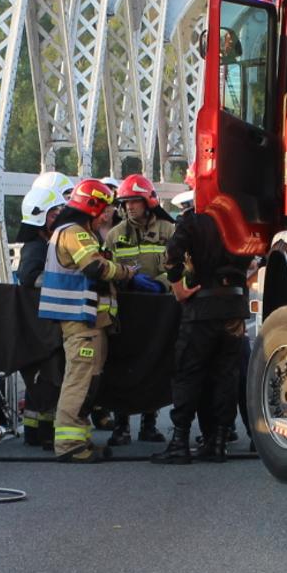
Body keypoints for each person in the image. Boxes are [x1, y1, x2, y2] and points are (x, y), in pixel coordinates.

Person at [42, 179, 143, 463]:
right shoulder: (75, 233)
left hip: (89, 322)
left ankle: (79, 439)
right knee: (79, 381)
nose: (108, 214)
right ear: (92, 206)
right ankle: (69, 445)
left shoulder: (71, 231)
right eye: (105, 208)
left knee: (88, 382)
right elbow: (95, 267)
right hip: (81, 321)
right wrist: (125, 272)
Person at [151, 205, 254, 465]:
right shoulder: (243, 218)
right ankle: (218, 442)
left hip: (202, 307)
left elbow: (172, 254)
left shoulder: (194, 220)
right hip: (234, 309)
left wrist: (177, 286)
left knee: (188, 373)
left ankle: (180, 442)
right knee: (226, 375)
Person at [104, 174, 174, 446]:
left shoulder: (169, 231)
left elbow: (182, 268)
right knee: (121, 367)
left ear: (148, 202)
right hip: (125, 311)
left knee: (154, 366)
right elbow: (105, 269)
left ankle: (149, 425)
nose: (129, 207)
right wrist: (125, 279)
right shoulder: (114, 235)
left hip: (158, 311)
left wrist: (160, 284)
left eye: (135, 201)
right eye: (125, 202)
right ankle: (121, 427)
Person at [14, 172, 75, 447]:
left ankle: (36, 431)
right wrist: (65, 280)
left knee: (46, 378)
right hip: (44, 324)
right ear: (42, 218)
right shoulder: (36, 247)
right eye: (55, 213)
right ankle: (45, 432)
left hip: (45, 321)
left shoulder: (45, 242)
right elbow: (29, 277)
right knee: (50, 377)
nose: (60, 216)